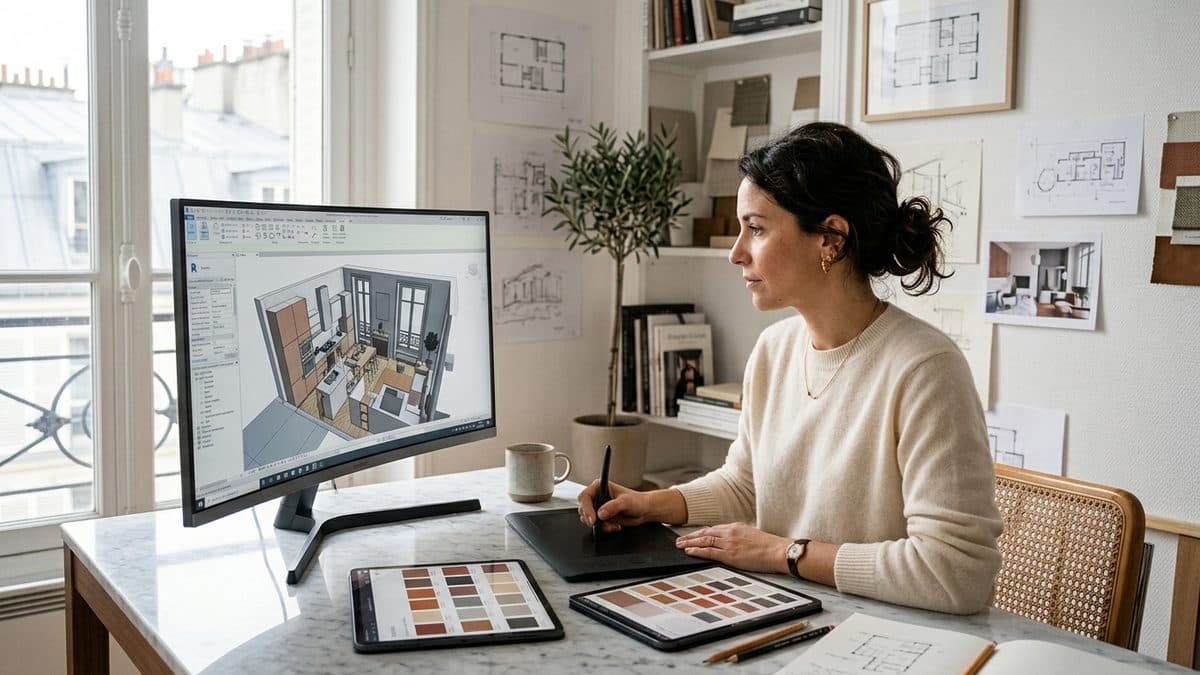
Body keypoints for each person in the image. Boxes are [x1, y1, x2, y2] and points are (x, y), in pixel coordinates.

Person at [578, 122, 1003, 615]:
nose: (736, 252)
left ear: (831, 240)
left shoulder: (925, 369)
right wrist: (652, 504)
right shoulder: (774, 349)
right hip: (786, 610)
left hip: (886, 640)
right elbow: (746, 485)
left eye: (755, 228)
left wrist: (782, 553)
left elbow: (957, 572)